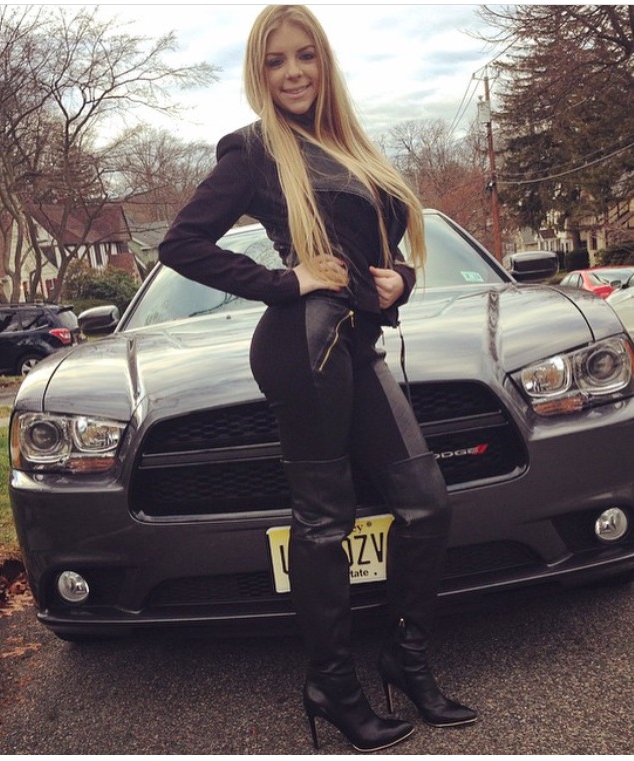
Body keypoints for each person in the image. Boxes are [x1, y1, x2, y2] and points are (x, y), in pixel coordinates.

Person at [159, 4, 477, 752]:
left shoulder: (350, 145)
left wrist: (399, 279)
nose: (293, 72)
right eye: (276, 61)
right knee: (324, 521)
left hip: (354, 343)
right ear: (258, 73)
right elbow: (181, 243)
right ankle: (332, 684)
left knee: (426, 504)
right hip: (302, 348)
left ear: (323, 61)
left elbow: (376, 248)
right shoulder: (253, 152)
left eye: (304, 55)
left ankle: (405, 658)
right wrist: (285, 280)